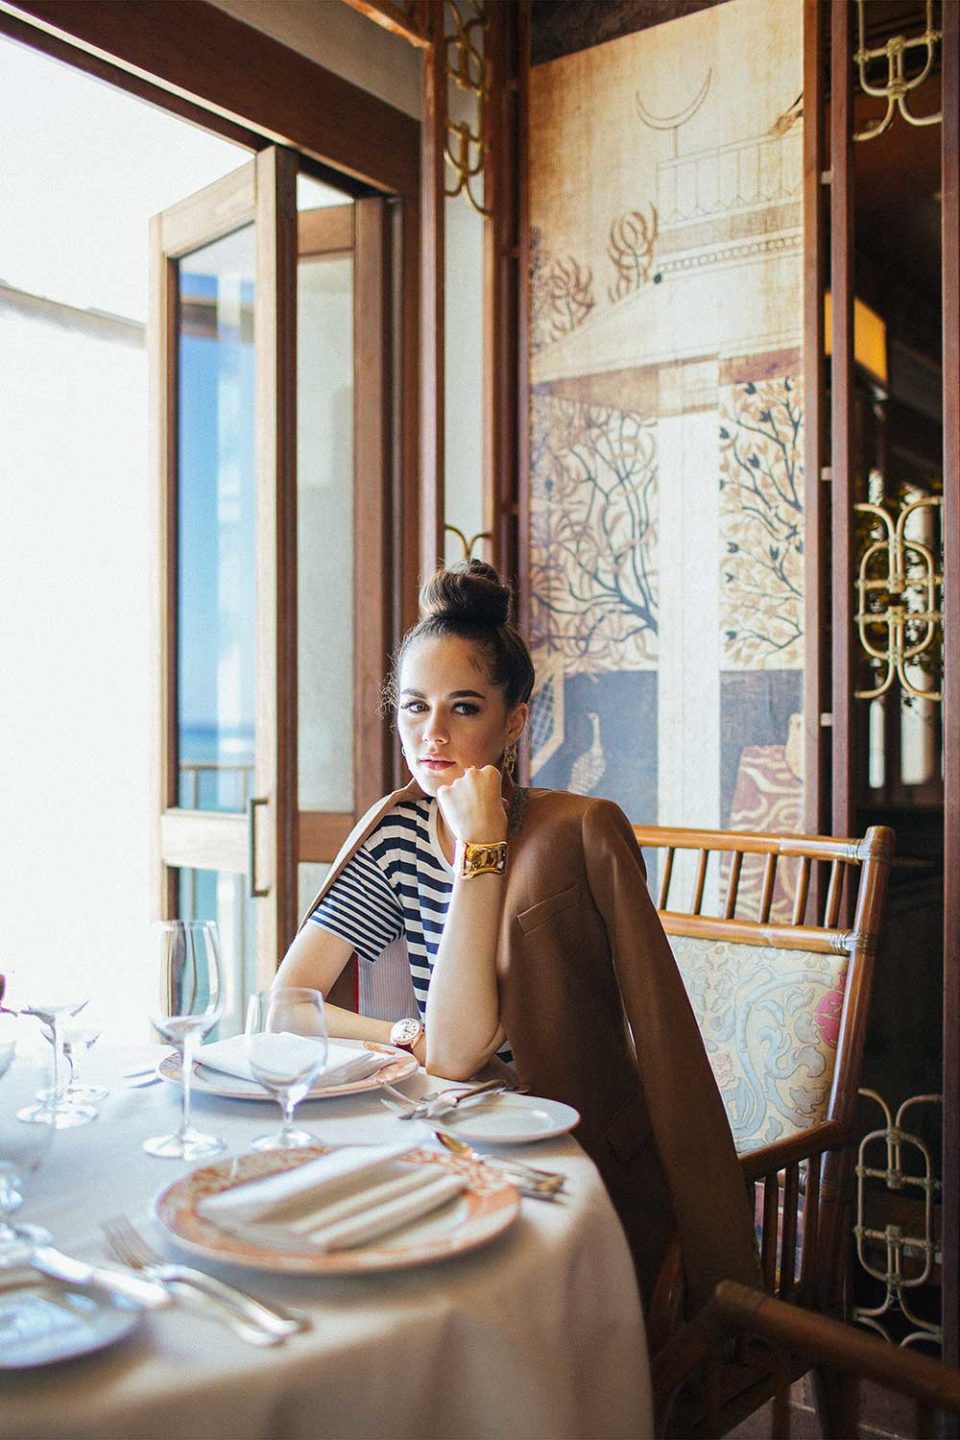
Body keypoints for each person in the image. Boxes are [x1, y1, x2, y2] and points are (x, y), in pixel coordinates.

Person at [277, 560, 758, 1318]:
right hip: (435, 1138)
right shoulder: (397, 832)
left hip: (560, 1158)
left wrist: (485, 847)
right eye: (413, 708)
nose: (431, 734)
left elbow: (467, 1049)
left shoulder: (577, 832)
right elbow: (288, 1008)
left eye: (462, 708)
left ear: (515, 720)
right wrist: (402, 1030)